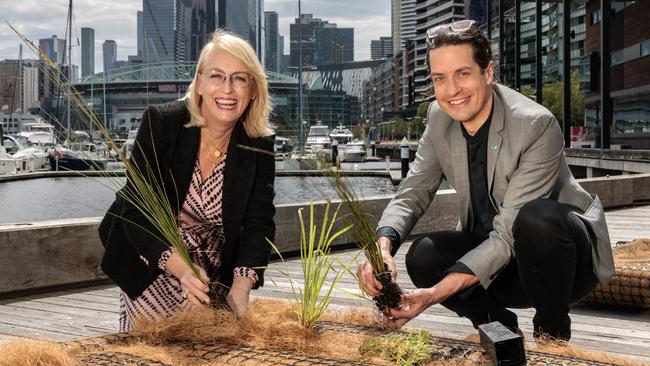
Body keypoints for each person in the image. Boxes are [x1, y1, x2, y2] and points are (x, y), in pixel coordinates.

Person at [357, 20, 614, 341]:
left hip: (564, 263)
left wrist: (432, 295)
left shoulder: (536, 124)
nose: (451, 91)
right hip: (498, 267)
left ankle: (552, 335)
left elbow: (507, 235)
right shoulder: (439, 117)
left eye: (462, 74)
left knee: (537, 218)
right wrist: (382, 248)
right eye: (440, 78)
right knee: (423, 253)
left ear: (488, 73)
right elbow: (413, 192)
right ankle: (498, 329)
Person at [98, 30, 276, 332]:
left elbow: (259, 223)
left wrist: (242, 285)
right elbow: (135, 211)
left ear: (254, 89)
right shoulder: (162, 124)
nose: (228, 89)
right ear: (200, 82)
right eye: (217, 76)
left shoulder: (259, 143)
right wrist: (182, 270)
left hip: (214, 277)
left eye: (240, 78)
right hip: (157, 262)